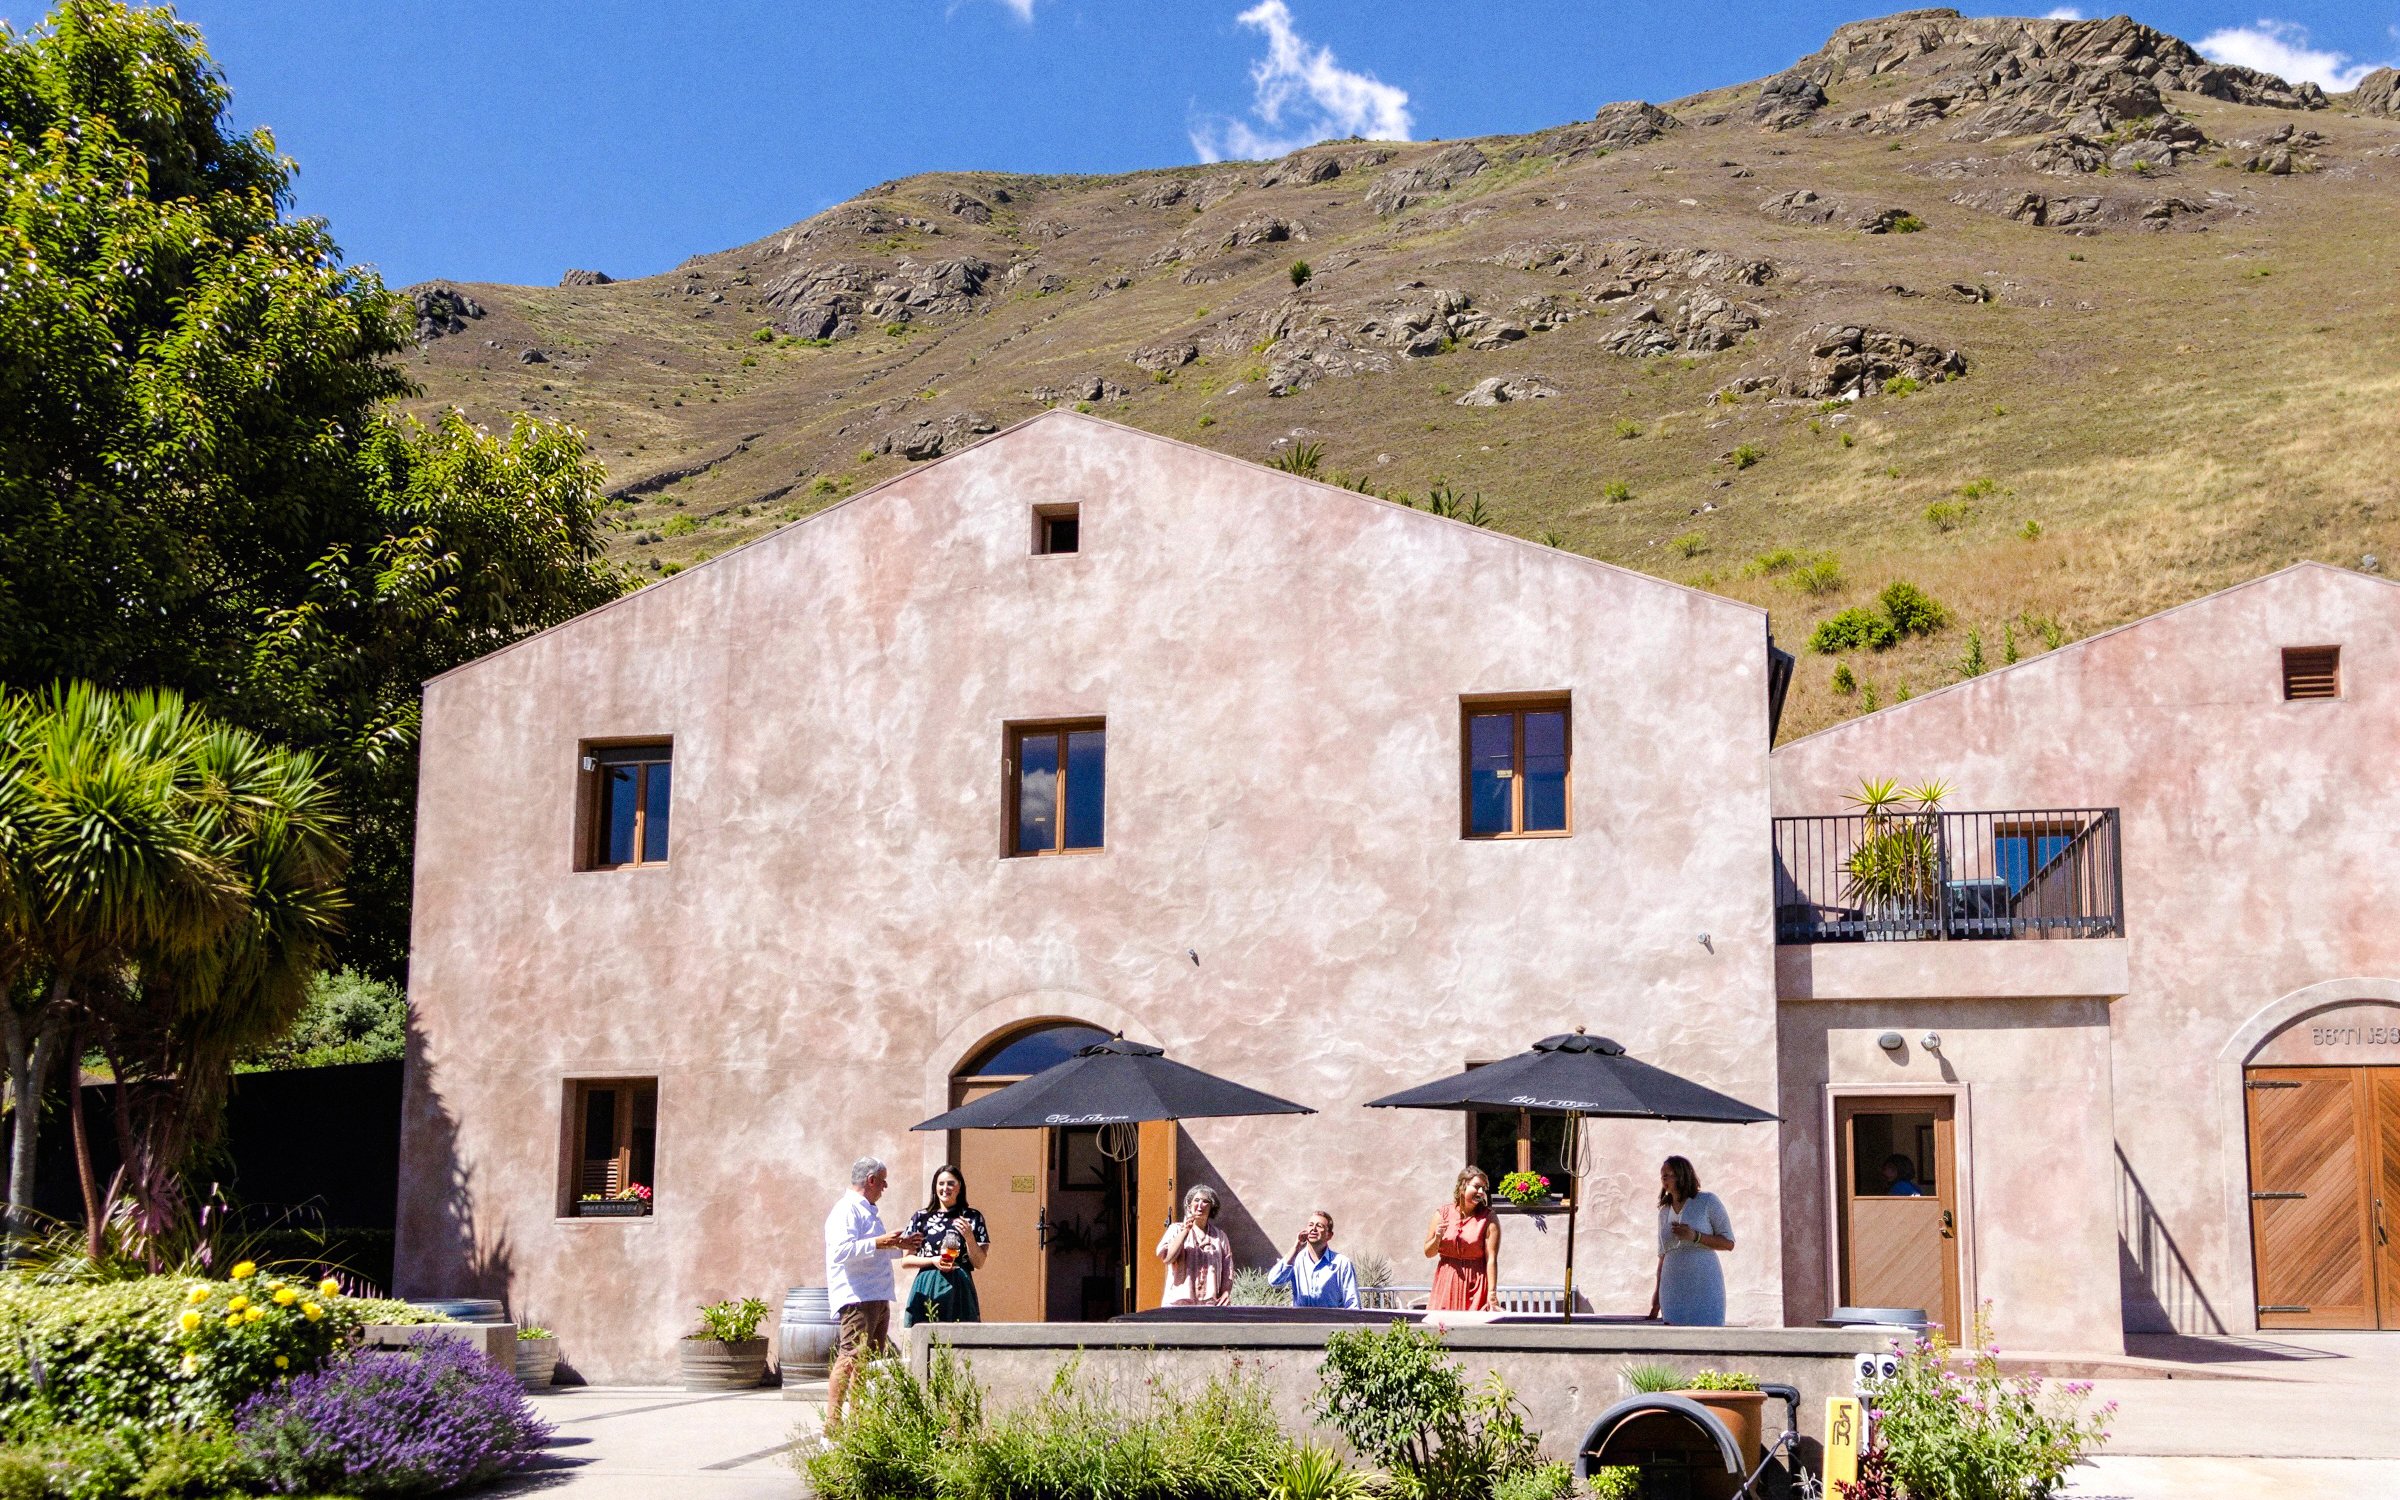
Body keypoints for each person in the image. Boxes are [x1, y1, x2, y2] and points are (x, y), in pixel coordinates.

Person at [823, 1156, 922, 1432]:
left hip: (876, 1296)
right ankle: (832, 1426)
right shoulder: (845, 1210)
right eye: (883, 1181)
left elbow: (874, 1251)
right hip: (858, 1298)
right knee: (850, 1358)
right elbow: (841, 1251)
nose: (886, 1186)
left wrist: (900, 1245)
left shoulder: (867, 1210)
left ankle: (858, 1423)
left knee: (866, 1363)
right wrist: (880, 1241)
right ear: (871, 1180)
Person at [1648, 1155, 1734, 1327]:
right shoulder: (1664, 1212)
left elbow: (1728, 1242)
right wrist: (1656, 1297)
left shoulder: (1707, 1202)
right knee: (1674, 1337)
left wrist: (1696, 1236)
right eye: (1661, 1176)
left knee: (1706, 1333)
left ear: (1681, 1175)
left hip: (1704, 1281)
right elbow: (1662, 1255)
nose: (1663, 1180)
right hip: (1672, 1286)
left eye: (1667, 1175)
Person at [898, 1164, 989, 1326]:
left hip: (959, 1285)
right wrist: (933, 1260)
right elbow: (906, 1261)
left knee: (961, 1339)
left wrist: (969, 1237)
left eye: (951, 1183)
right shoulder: (921, 1217)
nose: (945, 1188)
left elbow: (979, 1262)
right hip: (928, 1283)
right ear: (935, 1187)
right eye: (941, 1184)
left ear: (959, 1187)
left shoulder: (973, 1217)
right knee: (925, 1333)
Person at [1425, 1166, 1500, 1312]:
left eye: (1484, 1189)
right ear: (1462, 1186)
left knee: (1473, 1329)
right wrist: (1437, 1238)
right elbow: (1428, 1253)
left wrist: (1492, 1293)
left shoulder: (1488, 1218)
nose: (1481, 1192)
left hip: (1475, 1282)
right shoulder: (1442, 1214)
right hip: (1447, 1281)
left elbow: (1491, 1259)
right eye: (1477, 1187)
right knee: (1443, 1328)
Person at [1154, 1184, 1234, 1306]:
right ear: (1189, 1204)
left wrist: (1225, 1292)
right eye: (1196, 1200)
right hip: (1179, 1305)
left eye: (1205, 1201)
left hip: (1209, 1306)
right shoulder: (1175, 1229)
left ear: (1211, 1207)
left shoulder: (1220, 1237)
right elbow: (1167, 1257)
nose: (1200, 1205)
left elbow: (1228, 1270)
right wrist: (1185, 1231)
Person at [1268, 1209, 1361, 1309]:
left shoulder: (1342, 1263)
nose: (1314, 1229)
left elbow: (1352, 1302)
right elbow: (1274, 1281)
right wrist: (1296, 1248)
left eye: (1319, 1226)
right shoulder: (1296, 1260)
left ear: (1329, 1235)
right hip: (1301, 1322)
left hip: (1331, 1322)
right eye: (1310, 1225)